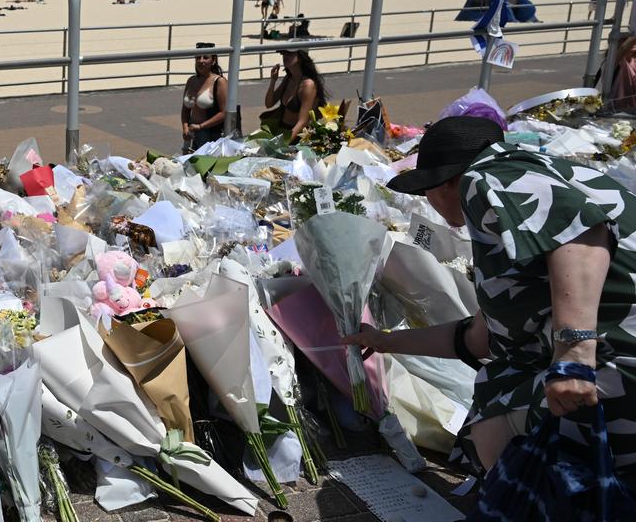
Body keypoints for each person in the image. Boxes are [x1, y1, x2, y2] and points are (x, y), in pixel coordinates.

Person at [345, 115, 636, 486]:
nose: (428, 203)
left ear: (447, 182)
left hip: (617, 365)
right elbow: (478, 338)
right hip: (615, 362)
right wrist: (384, 341)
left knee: (498, 418)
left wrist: (574, 357)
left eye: (426, 190)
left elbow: (578, 231)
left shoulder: (484, 178)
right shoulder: (533, 176)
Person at [263, 49, 326, 140]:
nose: (285, 56)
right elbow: (269, 104)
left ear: (300, 56)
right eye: (283, 53)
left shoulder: (308, 85)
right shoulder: (288, 79)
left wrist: (283, 144)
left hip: (296, 136)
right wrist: (273, 80)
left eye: (289, 53)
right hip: (281, 131)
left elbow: (302, 122)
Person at [180, 43, 228, 153]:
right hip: (191, 134)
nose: (201, 61)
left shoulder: (219, 82)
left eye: (206, 57)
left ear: (213, 60)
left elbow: (224, 113)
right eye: (198, 57)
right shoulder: (191, 80)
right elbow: (185, 109)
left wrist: (201, 126)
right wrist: (185, 127)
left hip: (210, 135)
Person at [611, 35, 636, 111]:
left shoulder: (634, 61)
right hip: (616, 112)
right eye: (625, 39)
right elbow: (623, 49)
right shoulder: (612, 62)